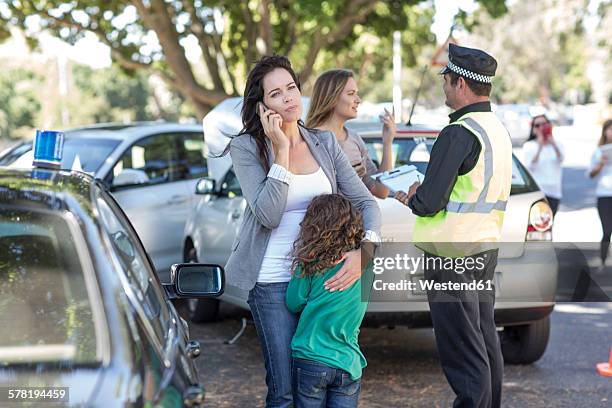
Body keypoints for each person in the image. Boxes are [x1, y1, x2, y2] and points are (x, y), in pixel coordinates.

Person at [223, 55, 381, 407]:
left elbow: (367, 203)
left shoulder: (324, 143)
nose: (289, 98)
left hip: (323, 276)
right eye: (276, 94)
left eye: (291, 88)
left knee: (321, 384)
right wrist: (281, 150)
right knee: (285, 393)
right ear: (262, 105)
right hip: (272, 282)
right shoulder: (246, 148)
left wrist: (365, 253)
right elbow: (267, 214)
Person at [395, 43, 512, 408]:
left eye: (446, 80)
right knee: (483, 339)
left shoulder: (458, 132)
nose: (443, 86)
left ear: (460, 83)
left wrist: (410, 195)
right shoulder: (497, 130)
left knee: (463, 350)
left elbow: (429, 202)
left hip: (450, 255)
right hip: (483, 250)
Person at [286, 194, 374, 408]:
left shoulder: (309, 264)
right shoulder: (366, 267)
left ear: (313, 226)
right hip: (348, 362)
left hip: (310, 358)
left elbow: (293, 302)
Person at [306, 69, 397, 199]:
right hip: (325, 218)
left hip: (355, 219)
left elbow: (381, 191)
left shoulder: (354, 138)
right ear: (331, 97)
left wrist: (387, 143)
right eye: (351, 94)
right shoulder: (309, 139)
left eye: (356, 94)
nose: (358, 100)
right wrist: (347, 177)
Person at [522, 114, 565, 215]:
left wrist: (553, 144)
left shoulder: (557, 144)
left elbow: (561, 159)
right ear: (533, 129)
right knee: (540, 225)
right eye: (537, 125)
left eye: (544, 124)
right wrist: (540, 147)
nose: (541, 127)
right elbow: (530, 167)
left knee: (550, 224)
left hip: (555, 190)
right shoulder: (529, 146)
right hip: (539, 191)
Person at [588, 119, 612, 273]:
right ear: (604, 131)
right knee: (607, 230)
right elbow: (591, 174)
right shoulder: (598, 151)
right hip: (603, 195)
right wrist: (601, 163)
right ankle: (603, 261)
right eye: (609, 129)